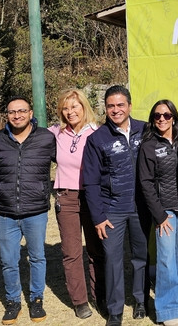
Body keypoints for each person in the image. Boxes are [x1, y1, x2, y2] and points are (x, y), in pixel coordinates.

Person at [82, 85, 150, 326]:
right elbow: (89, 182)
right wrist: (98, 217)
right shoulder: (97, 139)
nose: (116, 110)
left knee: (141, 256)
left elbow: (170, 137)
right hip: (112, 210)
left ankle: (141, 300)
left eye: (121, 105)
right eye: (111, 106)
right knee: (112, 259)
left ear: (130, 106)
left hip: (142, 207)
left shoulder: (146, 129)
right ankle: (115, 310)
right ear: (105, 108)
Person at [0, 97, 56, 324]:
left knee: (37, 257)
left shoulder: (47, 138)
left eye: (21, 111)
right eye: (11, 112)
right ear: (7, 115)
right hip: (8, 211)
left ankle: (36, 300)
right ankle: (12, 302)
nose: (16, 115)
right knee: (8, 260)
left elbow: (69, 162)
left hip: (36, 210)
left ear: (31, 113)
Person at [137, 99, 178, 326]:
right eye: (157, 115)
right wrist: (159, 214)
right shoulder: (149, 146)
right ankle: (167, 309)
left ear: (174, 117)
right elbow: (146, 183)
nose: (162, 119)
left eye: (167, 115)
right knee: (166, 260)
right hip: (165, 212)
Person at [48, 89, 104, 319]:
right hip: (67, 197)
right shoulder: (55, 133)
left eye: (75, 106)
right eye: (65, 107)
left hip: (93, 197)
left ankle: (100, 295)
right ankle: (80, 301)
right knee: (71, 252)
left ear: (84, 107)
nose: (70, 112)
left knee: (96, 249)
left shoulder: (98, 133)